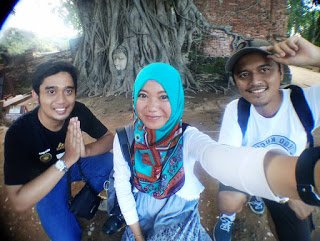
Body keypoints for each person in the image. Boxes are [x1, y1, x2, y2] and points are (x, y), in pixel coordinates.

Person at [113, 61, 320, 241]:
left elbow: (218, 157)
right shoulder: (125, 138)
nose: (152, 107)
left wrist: (300, 176)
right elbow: (122, 187)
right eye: (143, 95)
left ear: (176, 99)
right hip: (139, 210)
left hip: (179, 213)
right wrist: (138, 236)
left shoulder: (188, 137)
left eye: (164, 97)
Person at [213, 35, 320, 241]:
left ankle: (258, 194)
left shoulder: (304, 102)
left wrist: (317, 56)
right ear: (236, 82)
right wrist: (289, 194)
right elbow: (225, 163)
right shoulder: (237, 110)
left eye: (264, 69)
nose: (255, 81)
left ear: (281, 71)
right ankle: (236, 210)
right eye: (244, 74)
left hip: (289, 179)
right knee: (229, 201)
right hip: (258, 177)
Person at [3, 61, 122, 241]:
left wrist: (85, 151)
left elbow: (109, 138)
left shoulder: (77, 111)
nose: (62, 100)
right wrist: (66, 159)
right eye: (51, 91)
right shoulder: (19, 133)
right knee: (67, 237)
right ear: (36, 95)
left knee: (113, 163)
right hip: (45, 181)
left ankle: (112, 204)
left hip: (76, 163)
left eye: (68, 91)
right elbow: (19, 201)